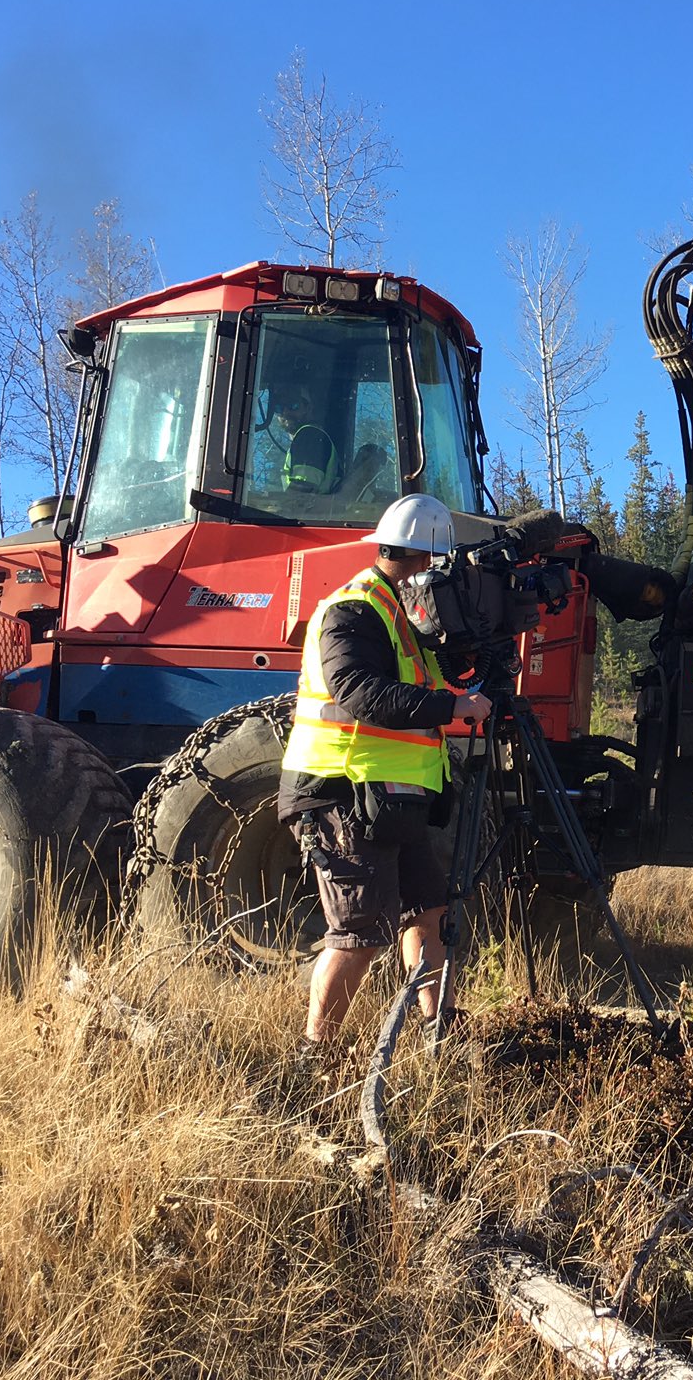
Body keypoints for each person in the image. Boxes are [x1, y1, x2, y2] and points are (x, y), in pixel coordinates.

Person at [277, 493, 493, 1071]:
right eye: (435, 563)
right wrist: (454, 706)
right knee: (360, 932)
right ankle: (313, 1056)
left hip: (391, 798)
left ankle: (440, 1035)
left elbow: (429, 683)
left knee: (429, 912)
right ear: (421, 559)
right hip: (340, 791)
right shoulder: (352, 610)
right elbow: (359, 693)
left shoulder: (403, 616)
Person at [270, 381, 338, 493]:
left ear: (308, 408)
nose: (285, 412)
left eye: (293, 405)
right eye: (279, 408)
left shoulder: (310, 436)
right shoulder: (307, 438)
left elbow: (302, 495)